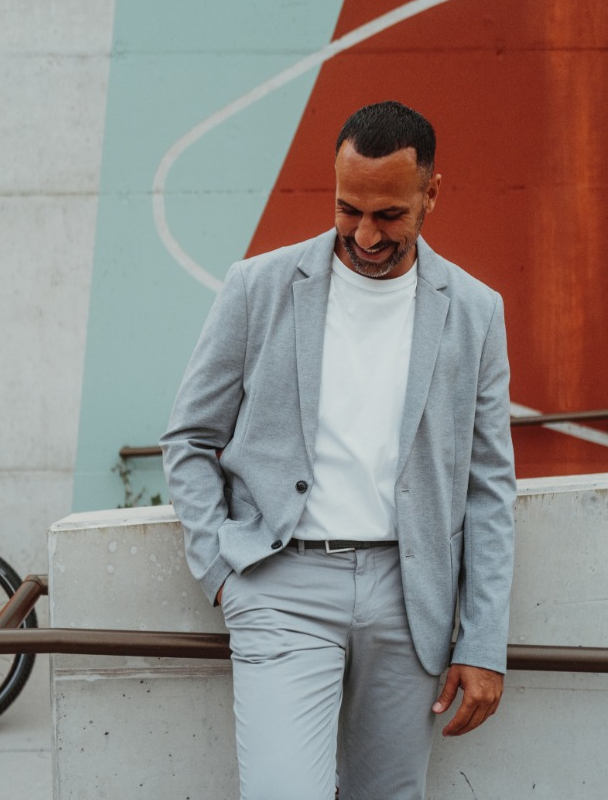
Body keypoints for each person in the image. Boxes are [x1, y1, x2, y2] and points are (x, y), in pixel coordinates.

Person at [160, 101, 515, 800]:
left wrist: (482, 640)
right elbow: (190, 437)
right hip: (281, 585)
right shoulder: (258, 288)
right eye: (348, 209)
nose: (366, 235)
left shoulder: (476, 311)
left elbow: (489, 487)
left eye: (389, 215)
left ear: (431, 193)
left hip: (412, 598)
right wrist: (221, 569)